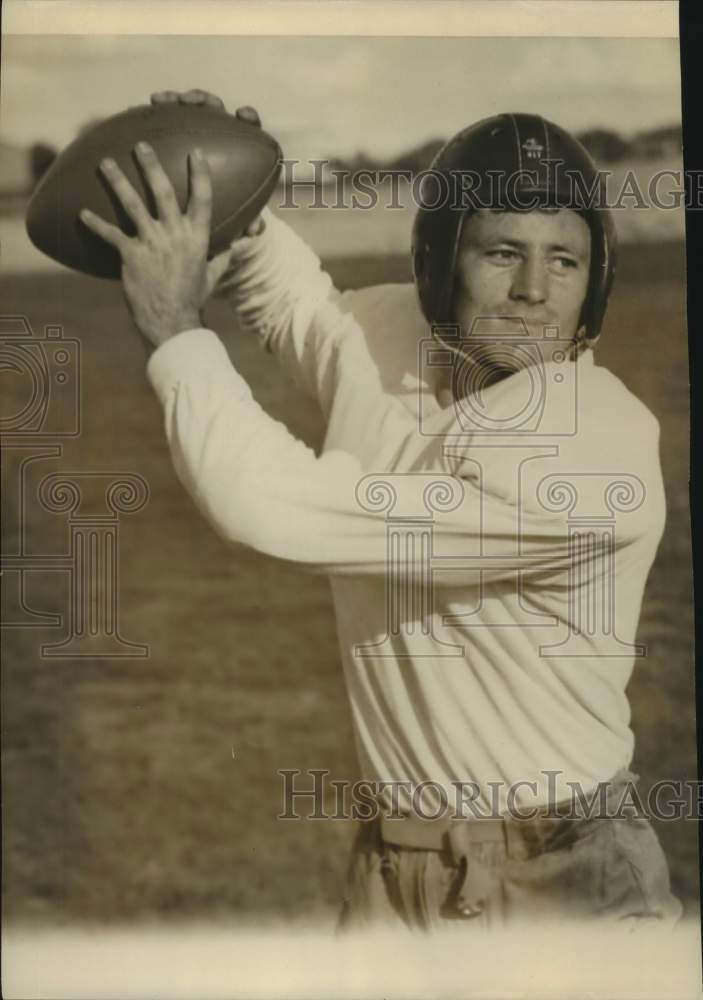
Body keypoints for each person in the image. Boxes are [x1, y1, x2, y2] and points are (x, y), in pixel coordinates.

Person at [80, 88, 682, 932]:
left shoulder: (589, 451)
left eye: (565, 260)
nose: (533, 291)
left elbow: (268, 505)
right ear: (439, 261)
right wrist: (218, 180)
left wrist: (175, 328)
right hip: (396, 862)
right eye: (502, 252)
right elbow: (302, 314)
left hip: (558, 870)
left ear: (598, 279)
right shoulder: (402, 331)